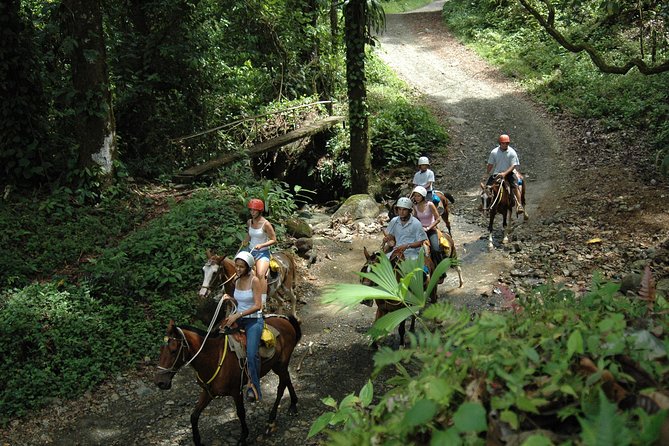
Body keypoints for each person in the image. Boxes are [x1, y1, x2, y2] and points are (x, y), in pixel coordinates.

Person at [221, 251, 264, 402]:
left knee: (251, 354)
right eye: (237, 266)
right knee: (220, 336)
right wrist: (230, 298)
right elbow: (241, 301)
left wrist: (238, 315)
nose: (238, 269)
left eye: (241, 267)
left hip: (253, 321)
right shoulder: (237, 280)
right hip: (239, 318)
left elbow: (258, 305)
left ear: (248, 267)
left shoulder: (255, 281)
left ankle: (254, 387)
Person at [241, 198, 276, 305]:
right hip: (250, 251)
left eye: (254, 210)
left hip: (262, 253)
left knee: (260, 274)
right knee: (240, 269)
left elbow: (274, 240)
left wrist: (261, 245)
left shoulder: (266, 224)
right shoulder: (249, 222)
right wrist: (245, 241)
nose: (252, 212)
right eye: (251, 210)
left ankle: (263, 300)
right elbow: (249, 234)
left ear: (259, 211)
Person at [485, 134, 524, 213]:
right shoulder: (494, 152)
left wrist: (505, 173)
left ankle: (519, 205)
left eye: (507, 143)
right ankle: (485, 205)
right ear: (500, 143)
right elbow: (490, 164)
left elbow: (513, 165)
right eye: (503, 143)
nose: (505, 145)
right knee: (487, 187)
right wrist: (487, 173)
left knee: (515, 186)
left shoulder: (512, 152)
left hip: (509, 173)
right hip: (497, 173)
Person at [410, 186, 442, 264]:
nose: (416, 198)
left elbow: (438, 219)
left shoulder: (430, 204)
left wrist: (428, 228)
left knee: (435, 249)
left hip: (431, 230)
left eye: (418, 196)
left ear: (423, 196)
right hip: (420, 230)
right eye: (415, 196)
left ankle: (440, 268)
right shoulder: (415, 206)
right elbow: (415, 218)